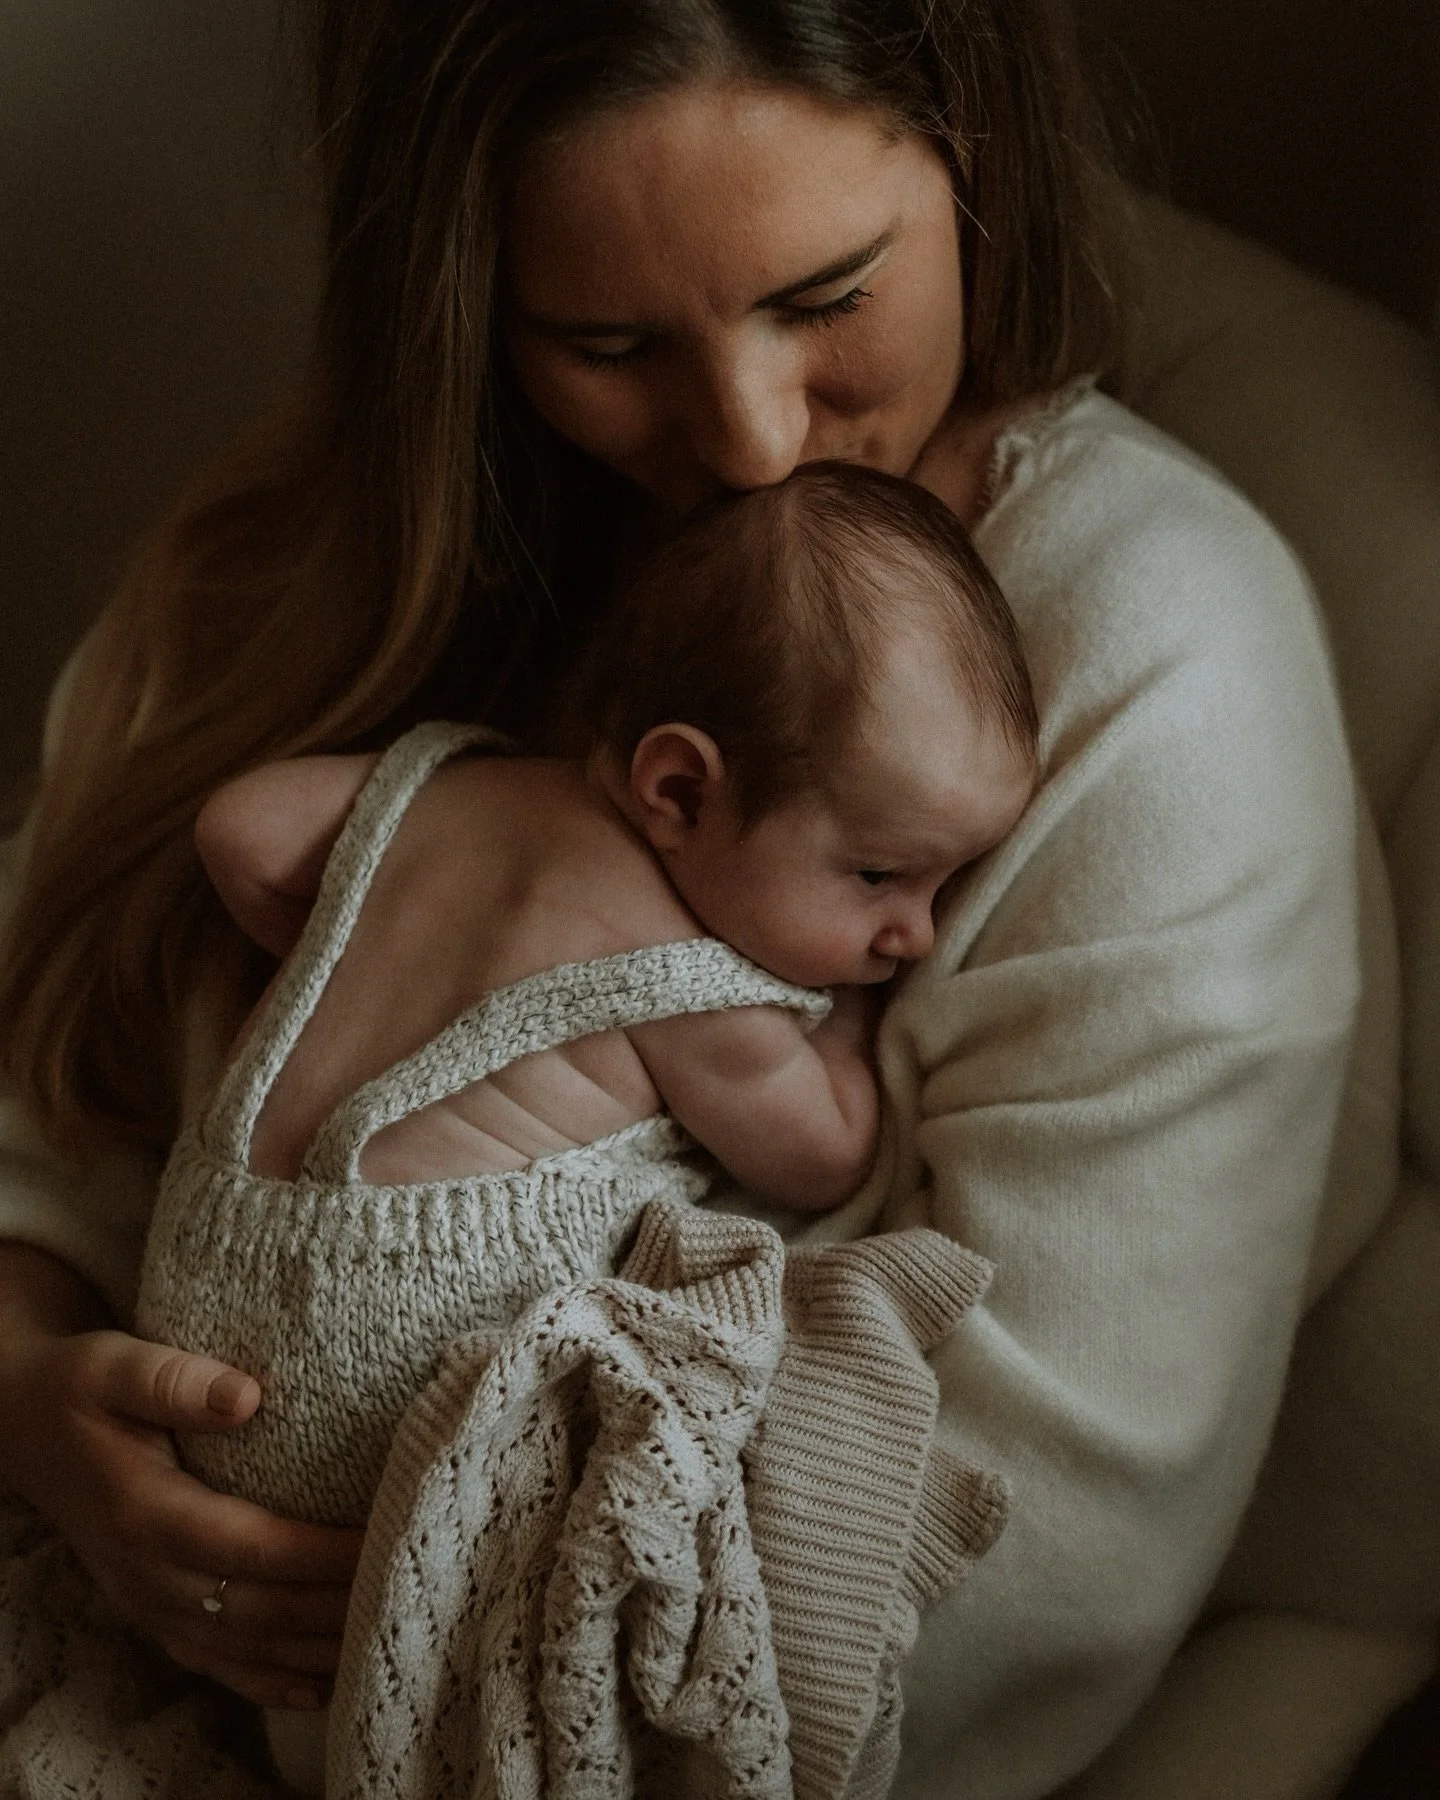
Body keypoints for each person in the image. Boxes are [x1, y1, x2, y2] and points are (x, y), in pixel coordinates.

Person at [0, 3, 1361, 1797]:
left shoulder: (1154, 660)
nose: (747, 441)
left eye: (826, 296)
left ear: (972, 155)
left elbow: (1034, 1575)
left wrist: (409, 1637)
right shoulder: (294, 580)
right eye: (606, 342)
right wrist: (29, 1404)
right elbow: (44, 1109)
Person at [137, 458, 1037, 1792]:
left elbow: (240, 826)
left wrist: (343, 942)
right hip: (371, 1378)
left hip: (195, 1292)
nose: (913, 933)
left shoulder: (443, 785)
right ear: (678, 793)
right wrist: (841, 1022)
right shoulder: (693, 987)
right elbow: (833, 1148)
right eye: (879, 876)